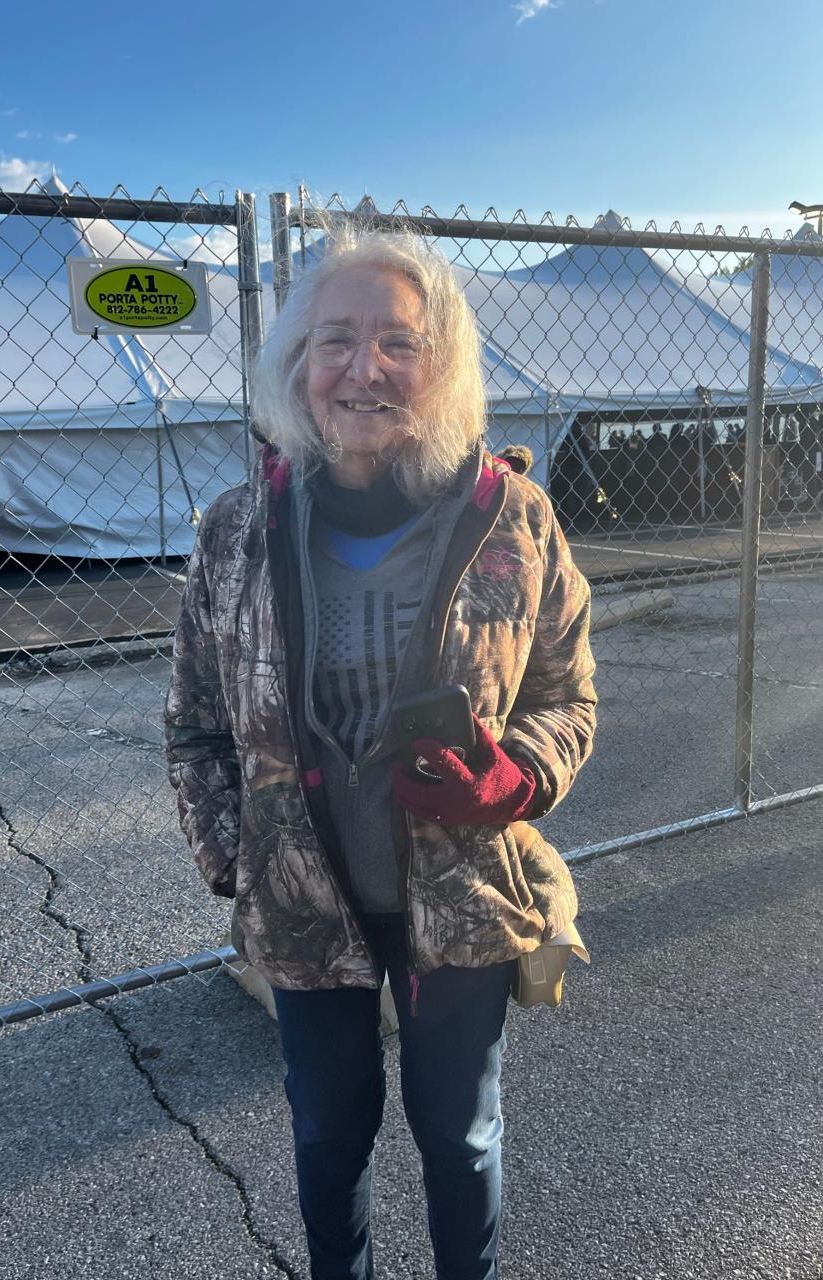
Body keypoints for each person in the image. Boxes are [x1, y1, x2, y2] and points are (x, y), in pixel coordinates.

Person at [165, 229, 597, 1280]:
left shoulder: (516, 520)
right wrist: (239, 855)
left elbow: (566, 695)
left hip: (463, 896)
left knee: (461, 1137)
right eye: (336, 339)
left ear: (441, 366)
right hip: (304, 900)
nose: (364, 369)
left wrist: (518, 776)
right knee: (327, 1135)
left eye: (398, 343)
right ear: (296, 365)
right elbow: (192, 725)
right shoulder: (234, 534)